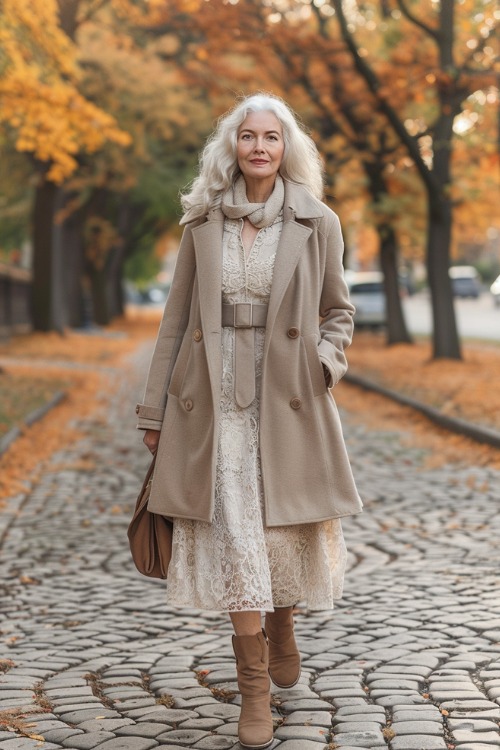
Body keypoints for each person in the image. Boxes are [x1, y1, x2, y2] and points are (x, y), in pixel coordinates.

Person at [136, 92, 362, 750]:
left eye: (270, 136)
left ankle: (282, 619)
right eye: (247, 136)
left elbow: (339, 312)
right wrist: (154, 410)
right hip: (211, 398)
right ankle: (254, 690)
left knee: (280, 528)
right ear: (230, 146)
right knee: (234, 532)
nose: (259, 147)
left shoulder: (318, 220)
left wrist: (324, 364)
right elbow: (174, 321)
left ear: (286, 146)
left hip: (288, 393)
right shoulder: (201, 221)